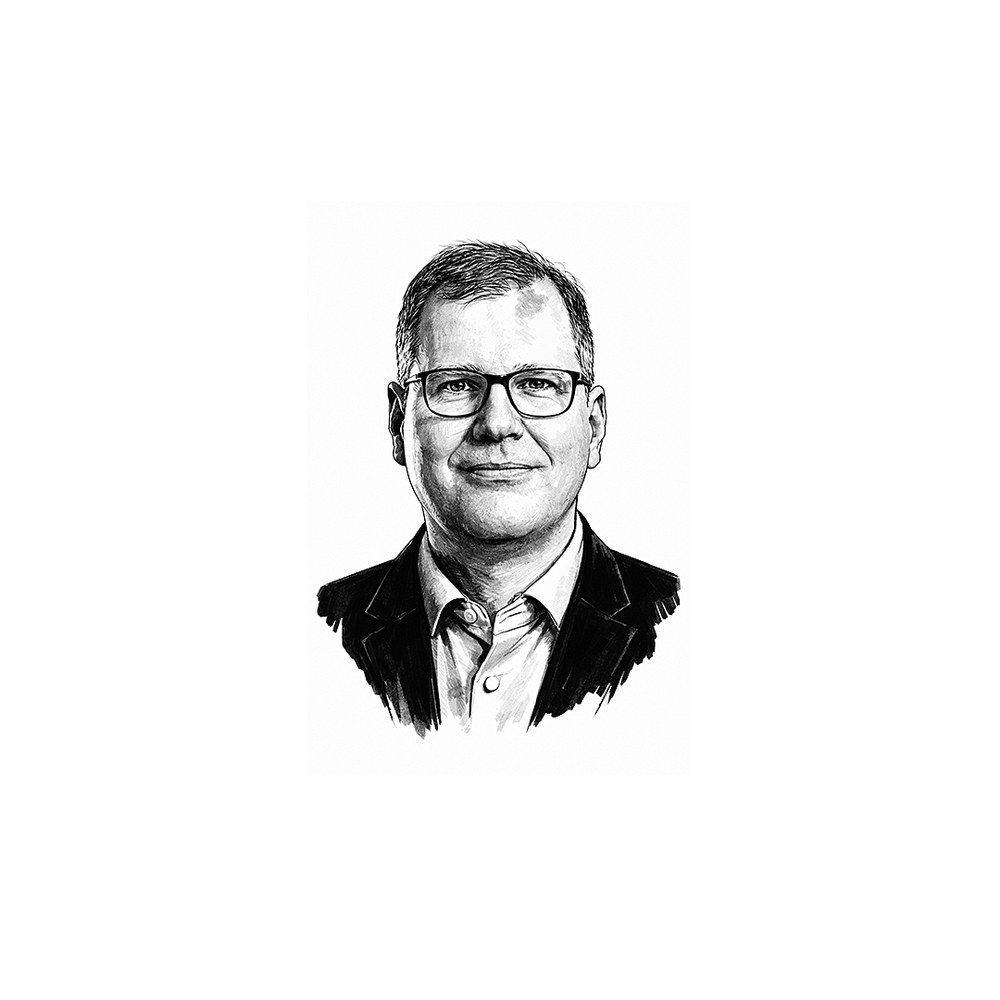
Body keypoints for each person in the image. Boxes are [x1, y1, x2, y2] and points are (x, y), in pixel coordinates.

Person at [317, 242, 680, 735]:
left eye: (538, 384)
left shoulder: (680, 625)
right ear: (399, 422)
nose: (497, 424)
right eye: (456, 385)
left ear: (594, 425)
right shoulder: (321, 629)